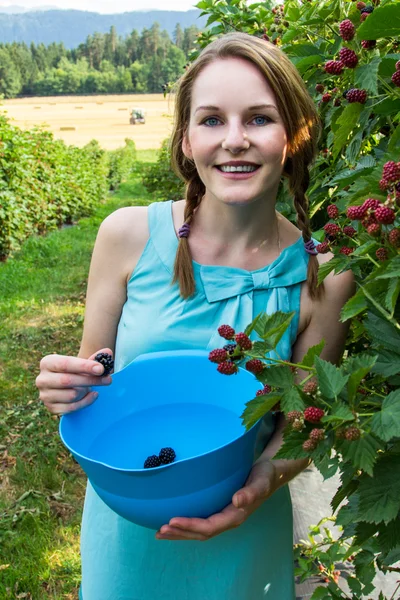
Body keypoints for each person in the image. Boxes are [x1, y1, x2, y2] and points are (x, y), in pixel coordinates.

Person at [36, 32, 355, 600]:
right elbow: (95, 376)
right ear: (186, 140)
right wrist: (69, 387)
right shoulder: (126, 236)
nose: (234, 141)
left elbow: (303, 423)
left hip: (243, 531)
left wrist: (263, 481)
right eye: (211, 120)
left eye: (259, 118)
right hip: (132, 529)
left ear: (295, 135)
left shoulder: (324, 275)